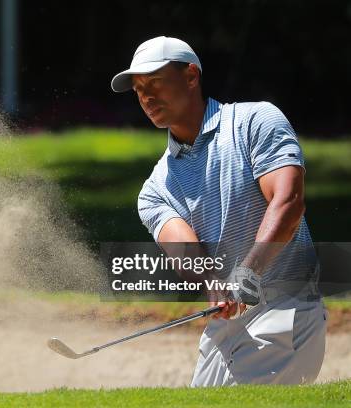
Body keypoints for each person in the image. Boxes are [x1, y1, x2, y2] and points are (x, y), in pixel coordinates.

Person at [111, 36, 327, 386]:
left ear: (191, 76)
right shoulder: (155, 189)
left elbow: (289, 203)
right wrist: (214, 285)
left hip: (285, 313)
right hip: (223, 327)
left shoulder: (254, 122)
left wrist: (249, 272)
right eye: (138, 89)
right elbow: (187, 252)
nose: (146, 96)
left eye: (155, 82)